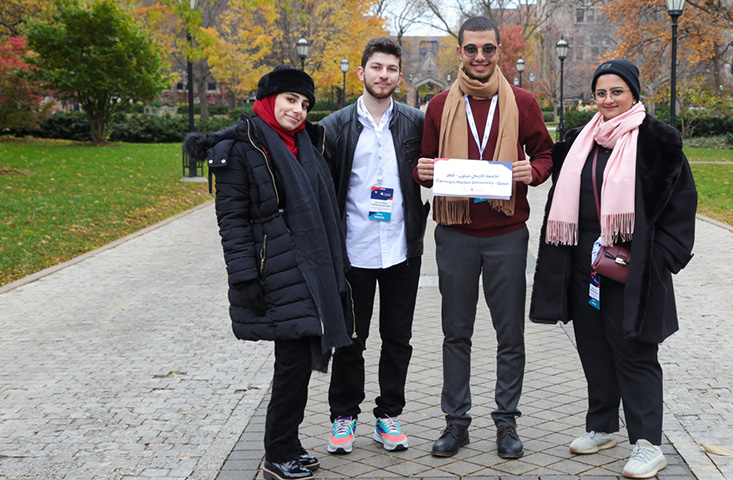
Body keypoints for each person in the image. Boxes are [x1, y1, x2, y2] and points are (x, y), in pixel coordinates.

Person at [184, 65, 354, 480]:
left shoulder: (304, 144)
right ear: (269, 97)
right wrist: (243, 278)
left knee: (296, 360)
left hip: (311, 266)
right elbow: (232, 221)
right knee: (292, 362)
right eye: (291, 99)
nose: (298, 110)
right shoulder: (242, 146)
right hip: (274, 269)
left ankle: (289, 443)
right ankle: (277, 453)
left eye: (304, 104)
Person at [530, 59, 697, 478]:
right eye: (601, 93)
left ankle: (647, 444)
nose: (608, 100)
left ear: (634, 94)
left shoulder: (657, 141)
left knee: (635, 352)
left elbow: (681, 208)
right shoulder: (579, 141)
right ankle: (602, 426)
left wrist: (658, 259)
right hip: (584, 265)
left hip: (635, 268)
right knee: (593, 347)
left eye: (616, 92)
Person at [414, 16, 554, 459]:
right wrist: (422, 169)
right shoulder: (438, 105)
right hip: (454, 233)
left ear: (499, 52)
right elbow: (425, 159)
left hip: (507, 233)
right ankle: (456, 423)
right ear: (459, 52)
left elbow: (546, 153)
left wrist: (532, 171)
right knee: (456, 333)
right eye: (471, 49)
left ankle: (506, 421)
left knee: (509, 332)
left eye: (488, 49)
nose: (480, 57)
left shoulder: (523, 102)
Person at [319, 37, 428, 454]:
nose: (384, 75)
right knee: (350, 338)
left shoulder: (416, 123)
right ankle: (343, 417)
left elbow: (434, 171)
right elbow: (323, 188)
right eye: (377, 67)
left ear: (400, 76)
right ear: (362, 72)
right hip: (354, 250)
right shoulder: (335, 126)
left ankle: (388, 416)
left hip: (402, 248)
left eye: (392, 69)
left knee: (397, 337)